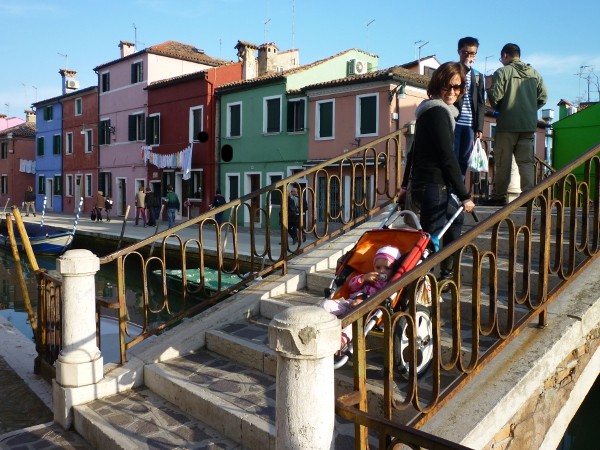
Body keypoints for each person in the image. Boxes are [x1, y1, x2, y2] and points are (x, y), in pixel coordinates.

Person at [406, 62, 475, 282]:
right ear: (438, 85)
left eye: (458, 87)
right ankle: (423, 283)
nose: (453, 92)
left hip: (426, 185)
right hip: (433, 186)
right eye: (448, 87)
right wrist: (464, 195)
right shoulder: (438, 112)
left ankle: (445, 278)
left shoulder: (428, 111)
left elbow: (412, 152)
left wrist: (404, 186)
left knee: (454, 221)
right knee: (430, 242)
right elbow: (447, 157)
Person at [486, 43, 548, 206]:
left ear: (505, 55)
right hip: (528, 126)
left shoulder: (502, 72)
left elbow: (496, 97)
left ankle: (499, 197)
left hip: (507, 124)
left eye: (501, 58)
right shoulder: (534, 73)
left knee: (502, 162)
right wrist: (529, 109)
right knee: (526, 162)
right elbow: (544, 97)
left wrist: (491, 95)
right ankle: (528, 198)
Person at [321, 246, 401, 351]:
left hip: (367, 311)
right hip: (350, 302)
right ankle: (319, 325)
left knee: (353, 325)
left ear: (393, 269)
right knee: (326, 304)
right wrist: (363, 278)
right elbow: (351, 286)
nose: (382, 271)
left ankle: (340, 342)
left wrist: (363, 303)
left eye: (387, 268)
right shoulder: (369, 277)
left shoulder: (390, 284)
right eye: (378, 267)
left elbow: (382, 300)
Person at [454, 37, 486, 178]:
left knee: (463, 160)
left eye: (472, 53)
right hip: (454, 121)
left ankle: (457, 192)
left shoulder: (478, 75)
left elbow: (480, 103)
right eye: (465, 52)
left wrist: (479, 127)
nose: (468, 56)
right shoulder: (452, 70)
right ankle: (448, 191)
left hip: (470, 126)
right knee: (452, 158)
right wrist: (465, 68)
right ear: (459, 52)